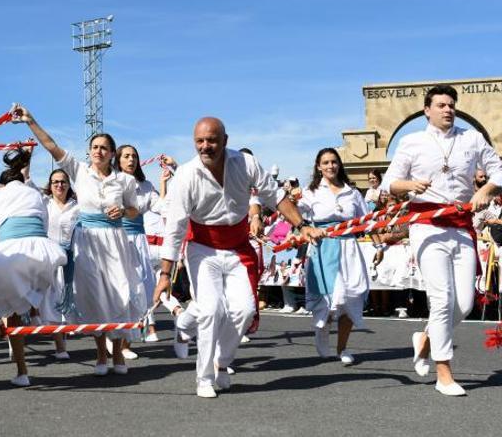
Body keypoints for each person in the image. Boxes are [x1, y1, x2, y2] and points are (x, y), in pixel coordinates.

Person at [152, 117, 324, 398]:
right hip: (202, 249)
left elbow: (276, 196)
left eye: (212, 140)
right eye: (199, 141)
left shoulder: (246, 164)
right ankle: (204, 377)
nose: (205, 146)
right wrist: (164, 275)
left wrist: (301, 225)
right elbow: (175, 227)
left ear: (226, 140)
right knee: (210, 310)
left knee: (244, 310)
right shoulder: (185, 175)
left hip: (237, 248)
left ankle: (221, 361)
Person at [381, 84, 502, 397]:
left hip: (461, 225)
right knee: (441, 300)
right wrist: (411, 184)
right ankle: (444, 373)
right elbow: (389, 183)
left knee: (464, 303)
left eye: (451, 104)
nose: (447, 109)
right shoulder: (412, 142)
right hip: (427, 225)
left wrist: (484, 191)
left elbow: (500, 173)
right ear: (427, 109)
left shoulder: (472, 138)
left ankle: (424, 339)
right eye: (440, 105)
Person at [15, 103, 146, 376]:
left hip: (115, 240)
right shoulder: (79, 171)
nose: (98, 151)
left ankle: (119, 352)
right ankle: (101, 354)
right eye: (94, 147)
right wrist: (31, 120)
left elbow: (135, 209)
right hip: (87, 242)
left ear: (112, 154)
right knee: (95, 295)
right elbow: (51, 145)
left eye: (104, 148)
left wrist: (122, 211)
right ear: (89, 151)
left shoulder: (125, 181)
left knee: (121, 293)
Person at [0, 148, 67, 386]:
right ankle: (39, 315)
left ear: (2, 183)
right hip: (42, 248)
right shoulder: (35, 194)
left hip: (13, 247)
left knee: (10, 311)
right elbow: (45, 225)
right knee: (45, 294)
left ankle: (22, 371)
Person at [297, 148, 370, 365]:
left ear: (339, 165)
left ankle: (343, 348)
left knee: (349, 298)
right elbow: (297, 219)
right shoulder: (310, 193)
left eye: (334, 162)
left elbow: (365, 220)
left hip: (349, 248)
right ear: (318, 167)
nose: (330, 166)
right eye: (326, 162)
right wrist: (310, 228)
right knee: (329, 300)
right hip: (323, 247)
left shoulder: (353, 193)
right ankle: (322, 331)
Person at [113, 145, 171, 356]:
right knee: (120, 292)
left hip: (138, 241)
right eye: (126, 156)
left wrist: (171, 180)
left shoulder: (145, 186)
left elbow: (162, 206)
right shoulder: (111, 182)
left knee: (144, 293)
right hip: (116, 239)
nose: (131, 160)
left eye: (134, 156)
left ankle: (125, 343)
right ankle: (116, 341)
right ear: (118, 160)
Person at [38, 168, 80, 359]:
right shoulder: (44, 204)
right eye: (55, 182)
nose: (59, 185)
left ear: (69, 185)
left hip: (72, 257)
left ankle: (62, 340)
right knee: (51, 298)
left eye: (63, 182)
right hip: (50, 256)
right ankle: (60, 346)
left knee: (68, 296)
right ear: (50, 185)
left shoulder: (76, 206)